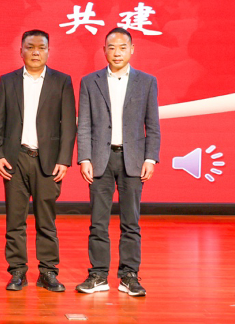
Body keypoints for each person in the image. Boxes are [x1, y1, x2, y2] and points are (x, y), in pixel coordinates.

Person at [75, 28, 161, 297]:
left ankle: (129, 276)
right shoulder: (90, 82)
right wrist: (84, 158)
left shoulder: (147, 82)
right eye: (111, 47)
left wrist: (150, 158)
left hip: (132, 159)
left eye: (123, 47)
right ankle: (98, 275)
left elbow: (152, 125)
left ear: (132, 50)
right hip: (100, 159)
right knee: (98, 222)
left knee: (131, 222)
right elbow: (84, 123)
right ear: (104, 50)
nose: (117, 52)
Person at [0, 30, 77, 293]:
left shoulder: (61, 81)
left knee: (46, 221)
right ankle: (17, 271)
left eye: (41, 47)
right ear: (21, 51)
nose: (36, 52)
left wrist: (64, 160)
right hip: (14, 160)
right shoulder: (8, 81)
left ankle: (48, 272)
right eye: (30, 47)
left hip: (48, 162)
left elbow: (68, 125)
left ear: (49, 51)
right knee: (15, 221)